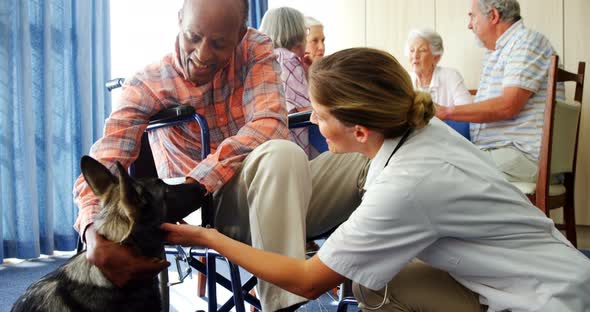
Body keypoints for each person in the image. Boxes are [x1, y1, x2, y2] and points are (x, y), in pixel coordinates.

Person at [161, 47, 590, 312]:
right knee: (372, 275)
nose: (311, 120)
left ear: (360, 131)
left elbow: (308, 282)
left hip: (542, 301)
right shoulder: (422, 128)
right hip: (559, 272)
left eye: (320, 115)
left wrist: (209, 237)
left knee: (376, 289)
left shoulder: (404, 188)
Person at [72, 0, 369, 311]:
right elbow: (103, 162)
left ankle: (378, 294)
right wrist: (93, 233)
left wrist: (199, 180)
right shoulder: (147, 83)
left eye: (218, 44)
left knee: (371, 149)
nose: (202, 54)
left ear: (240, 34)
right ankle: (283, 307)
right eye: (193, 37)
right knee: (282, 154)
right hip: (206, 210)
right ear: (179, 21)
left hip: (273, 192)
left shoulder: (255, 48)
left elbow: (269, 124)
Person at [435, 0, 564, 183]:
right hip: (502, 153)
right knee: (434, 160)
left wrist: (446, 111)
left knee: (438, 169)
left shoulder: (526, 42)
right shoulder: (498, 52)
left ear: (493, 16)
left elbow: (507, 106)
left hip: (524, 156)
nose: (470, 24)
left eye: (473, 16)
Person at [259, 7, 320, 159]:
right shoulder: (287, 60)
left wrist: (306, 70)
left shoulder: (268, 58)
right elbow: (307, 109)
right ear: (295, 31)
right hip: (293, 147)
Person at [405, 28, 472, 106]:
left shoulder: (451, 76)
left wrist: (445, 113)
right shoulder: (405, 80)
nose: (415, 56)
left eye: (422, 50)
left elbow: (466, 109)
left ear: (436, 57)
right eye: (412, 50)